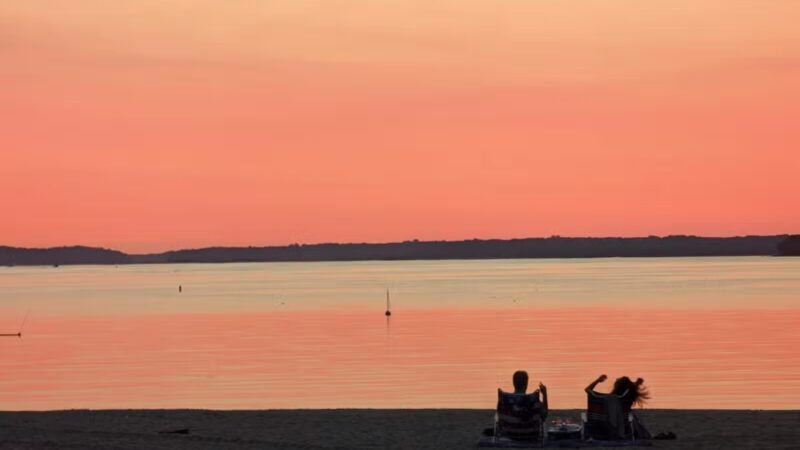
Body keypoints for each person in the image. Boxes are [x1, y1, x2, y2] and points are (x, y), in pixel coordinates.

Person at [585, 374, 651, 439]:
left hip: (598, 431)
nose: (616, 379)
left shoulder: (602, 399)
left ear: (617, 386)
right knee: (634, 417)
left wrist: (598, 380)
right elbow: (631, 389)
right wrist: (636, 384)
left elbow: (587, 389)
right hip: (623, 429)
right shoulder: (626, 398)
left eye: (618, 380)